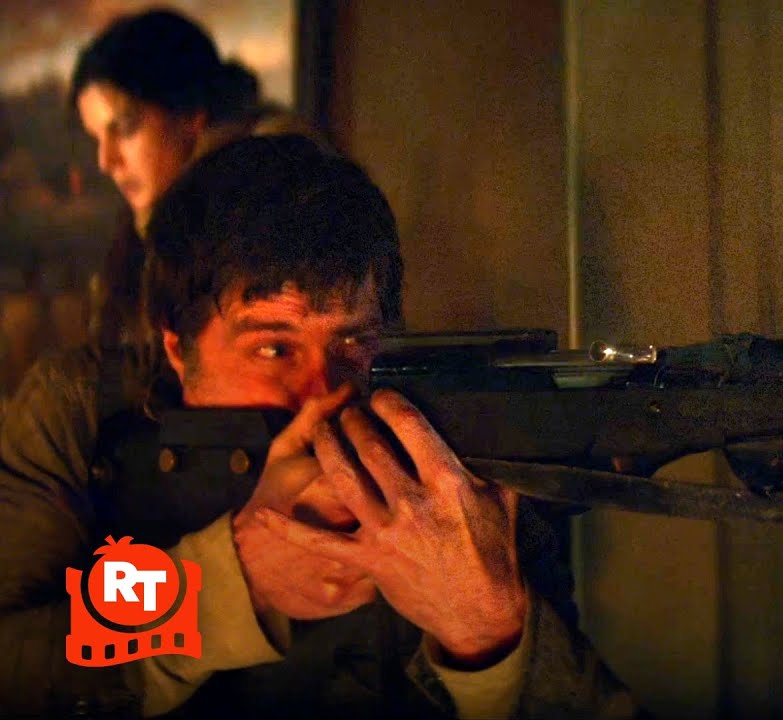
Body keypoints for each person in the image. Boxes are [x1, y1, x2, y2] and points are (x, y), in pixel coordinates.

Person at [0, 136, 637, 718]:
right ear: (178, 349)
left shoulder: (449, 440)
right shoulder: (81, 413)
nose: (323, 393)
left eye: (353, 344)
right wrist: (226, 587)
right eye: (274, 348)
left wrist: (490, 637)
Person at [70, 8, 306, 349]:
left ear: (190, 113)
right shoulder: (145, 232)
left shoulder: (275, 203)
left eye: (124, 129)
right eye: (97, 138)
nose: (106, 162)